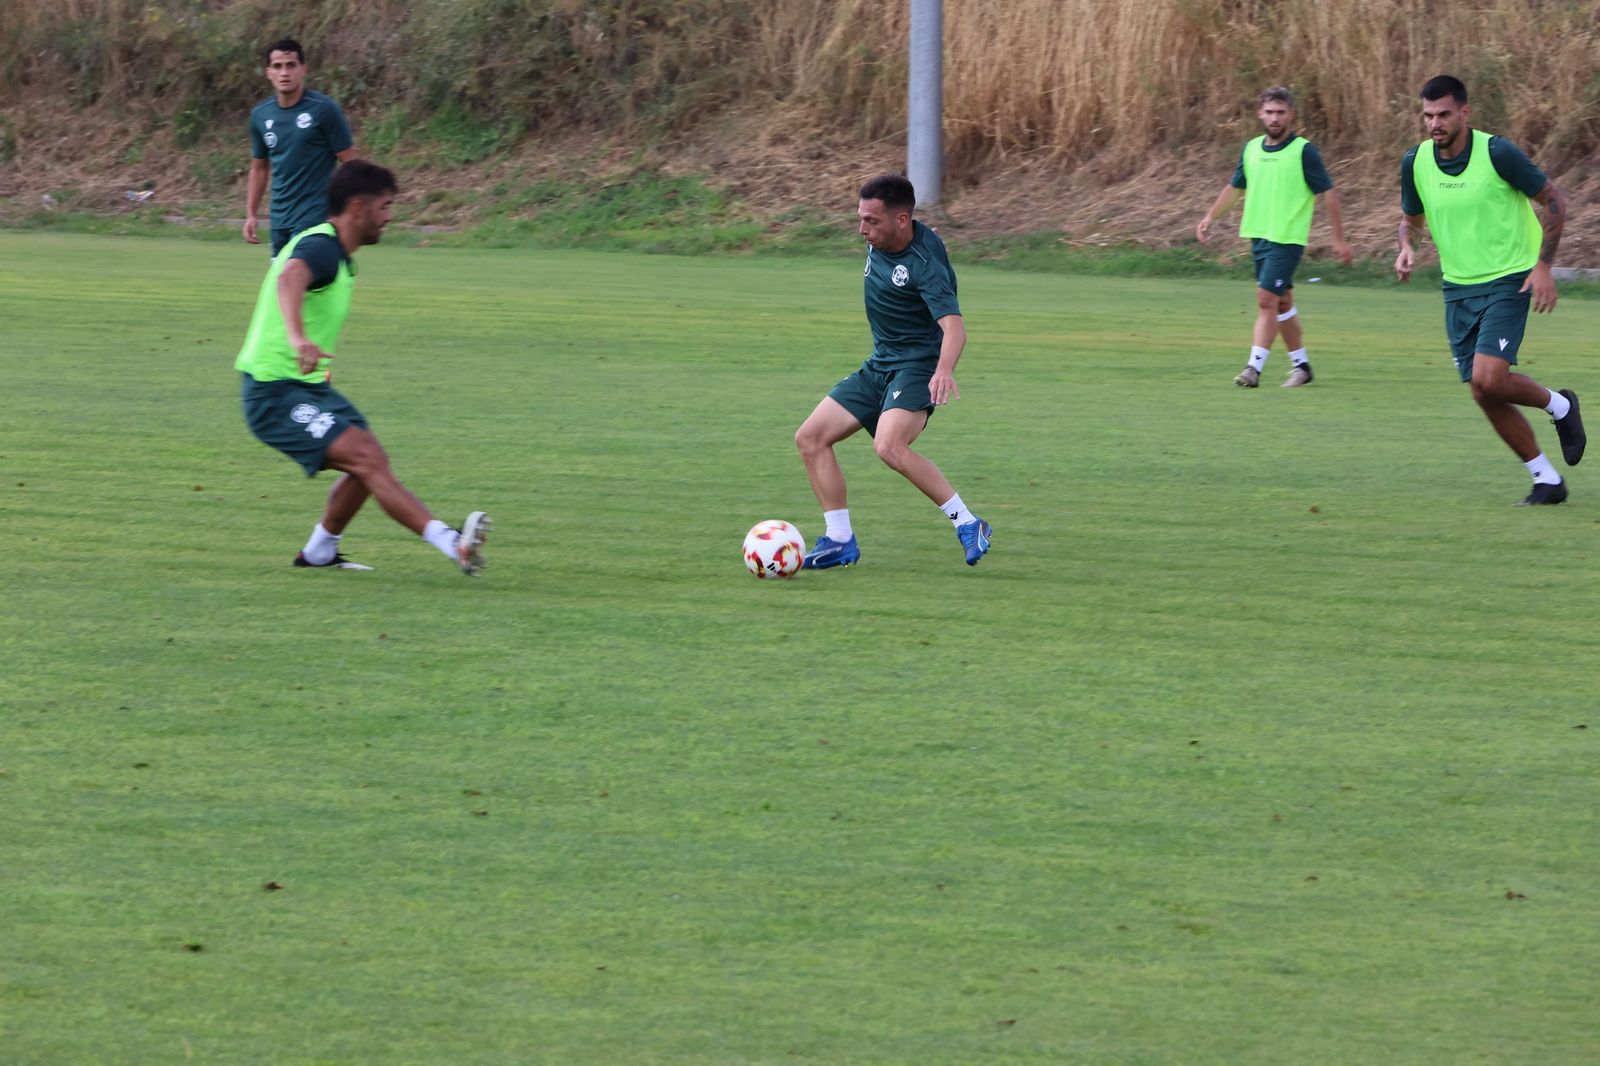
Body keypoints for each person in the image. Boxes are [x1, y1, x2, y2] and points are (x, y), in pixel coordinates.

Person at [235, 160, 491, 573]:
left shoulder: (336, 253)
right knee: (368, 458)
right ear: (357, 208)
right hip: (273, 392)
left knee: (369, 463)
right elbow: (289, 277)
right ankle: (453, 544)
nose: (389, 217)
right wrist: (298, 337)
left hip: (308, 387)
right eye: (385, 206)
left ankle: (319, 552)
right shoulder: (321, 248)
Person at [1395, 74, 1585, 505]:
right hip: (1457, 288)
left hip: (1509, 279)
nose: (1435, 124)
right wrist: (1407, 246)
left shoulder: (1497, 152)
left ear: (1465, 112)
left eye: (1443, 114)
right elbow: (1411, 220)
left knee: (1489, 377)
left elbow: (1554, 201)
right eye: (1427, 115)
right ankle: (1547, 480)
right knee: (1484, 391)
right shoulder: (1415, 161)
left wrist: (1544, 265)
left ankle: (1560, 406)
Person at [794, 173, 991, 569]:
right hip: (880, 364)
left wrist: (944, 371)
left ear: (902, 221)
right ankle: (839, 540)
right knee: (810, 438)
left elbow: (955, 327)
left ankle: (969, 523)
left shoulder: (923, 265)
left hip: (916, 368)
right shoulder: (890, 235)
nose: (862, 229)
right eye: (861, 218)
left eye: (872, 221)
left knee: (888, 447)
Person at [1196, 86, 1353, 388]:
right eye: (1269, 112)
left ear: (1291, 115)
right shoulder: (1252, 148)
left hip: (1287, 239)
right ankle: (1301, 366)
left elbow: (1329, 194)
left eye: (1281, 112)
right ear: (1260, 114)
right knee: (1281, 304)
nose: (1275, 118)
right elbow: (1236, 187)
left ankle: (1253, 369)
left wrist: (1338, 239)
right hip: (1259, 237)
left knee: (1266, 299)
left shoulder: (1304, 151)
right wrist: (1210, 217)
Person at [244, 38, 357, 256]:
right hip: (279, 220)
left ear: (303, 69)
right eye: (277, 66)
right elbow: (259, 168)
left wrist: (344, 210)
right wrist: (251, 214)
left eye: (291, 65)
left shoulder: (323, 110)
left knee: (300, 283)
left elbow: (351, 164)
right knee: (283, 287)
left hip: (315, 218)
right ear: (268, 72)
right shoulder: (260, 115)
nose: (284, 73)